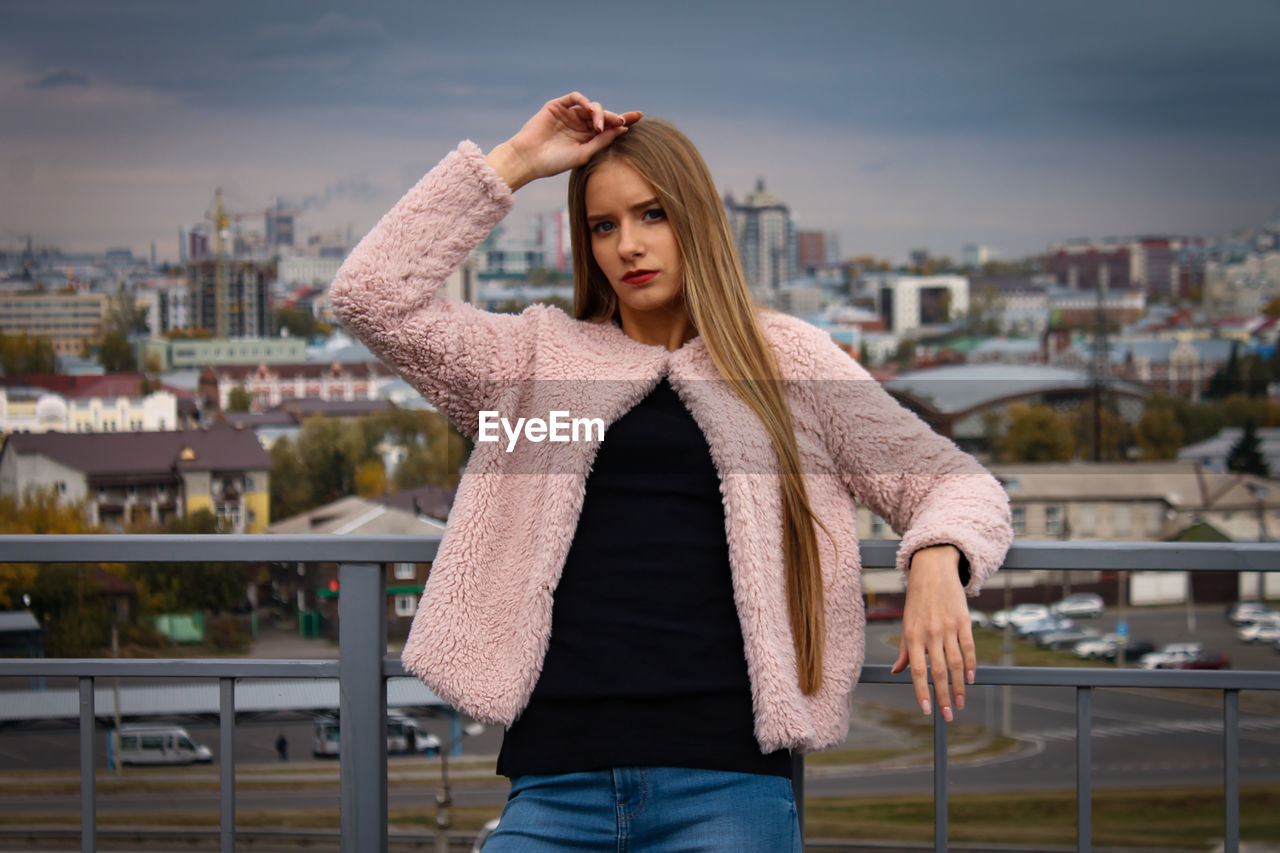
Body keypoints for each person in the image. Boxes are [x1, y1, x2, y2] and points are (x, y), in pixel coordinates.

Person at [330, 92, 1012, 852]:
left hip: (726, 782)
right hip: (554, 784)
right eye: (603, 225)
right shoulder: (533, 366)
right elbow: (370, 297)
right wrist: (518, 162)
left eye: (652, 214)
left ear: (697, 221)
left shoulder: (785, 362)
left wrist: (935, 558)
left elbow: (955, 483)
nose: (628, 245)